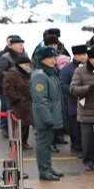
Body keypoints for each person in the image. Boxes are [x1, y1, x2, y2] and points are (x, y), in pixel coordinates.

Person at [30, 46, 65, 181]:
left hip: (52, 115)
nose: (53, 60)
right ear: (42, 59)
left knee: (47, 144)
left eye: (54, 57)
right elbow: (40, 100)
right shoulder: (40, 76)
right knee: (43, 144)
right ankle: (44, 170)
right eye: (50, 58)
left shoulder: (50, 73)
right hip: (45, 117)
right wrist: (47, 118)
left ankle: (48, 168)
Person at [2, 53, 34, 150]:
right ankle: (17, 143)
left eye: (29, 65)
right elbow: (8, 88)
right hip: (17, 102)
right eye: (26, 65)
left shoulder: (27, 74)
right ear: (20, 64)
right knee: (18, 123)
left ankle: (24, 142)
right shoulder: (12, 73)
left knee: (26, 123)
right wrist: (15, 98)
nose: (28, 67)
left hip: (27, 101)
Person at [60, 45, 88, 155]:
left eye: (85, 54)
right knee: (75, 127)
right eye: (80, 55)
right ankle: (76, 146)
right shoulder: (68, 69)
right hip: (73, 102)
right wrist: (73, 91)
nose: (83, 57)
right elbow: (62, 84)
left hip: (88, 102)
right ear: (75, 56)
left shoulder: (89, 67)